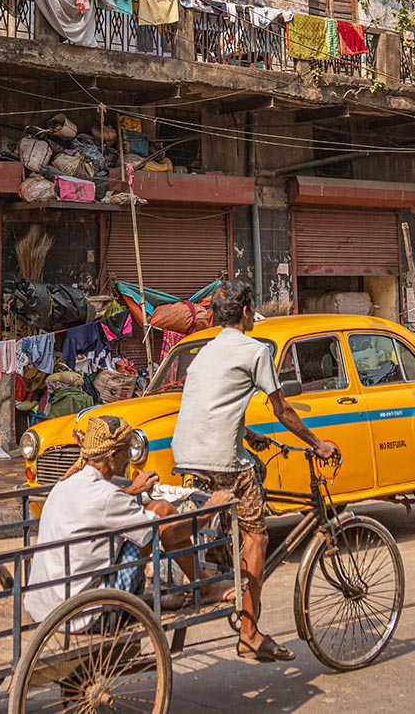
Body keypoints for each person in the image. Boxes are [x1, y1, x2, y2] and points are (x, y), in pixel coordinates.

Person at [171, 279, 336, 663]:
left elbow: (212, 406)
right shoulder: (255, 350)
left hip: (187, 453)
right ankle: (249, 632)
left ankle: (219, 573)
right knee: (258, 538)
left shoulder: (203, 352)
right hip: (221, 460)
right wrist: (317, 444)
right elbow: (283, 411)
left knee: (252, 469)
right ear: (247, 313)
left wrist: (247, 433)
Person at [25, 415, 198, 623]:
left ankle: (192, 587)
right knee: (153, 522)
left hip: (45, 605)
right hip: (82, 614)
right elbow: (155, 529)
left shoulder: (65, 485)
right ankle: (204, 586)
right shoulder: (107, 496)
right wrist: (211, 510)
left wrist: (131, 491)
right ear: (113, 455)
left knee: (141, 524)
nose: (128, 458)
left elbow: (98, 507)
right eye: (127, 451)